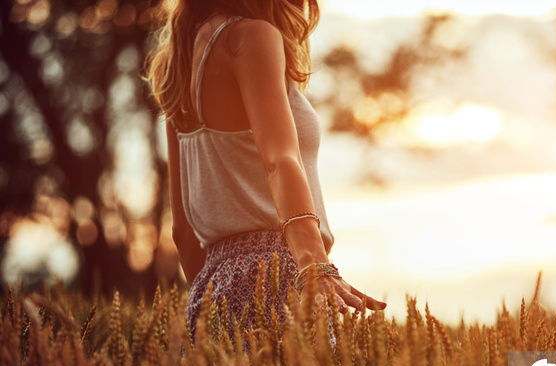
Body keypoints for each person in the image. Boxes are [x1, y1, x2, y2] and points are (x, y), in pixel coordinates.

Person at [146, 0, 386, 339]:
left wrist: (209, 314)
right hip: (283, 272)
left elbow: (183, 231)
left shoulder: (177, 63)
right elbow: (280, 160)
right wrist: (314, 264)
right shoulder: (250, 37)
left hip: (210, 285)